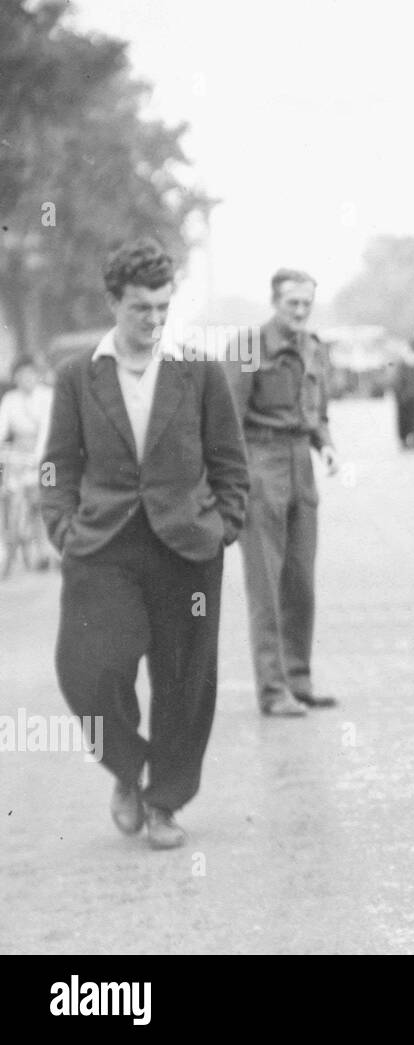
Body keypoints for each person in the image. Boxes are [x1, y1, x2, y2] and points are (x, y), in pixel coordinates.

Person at [40, 239, 249, 848]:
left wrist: (223, 527)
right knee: (90, 670)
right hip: (104, 547)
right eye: (141, 308)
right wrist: (63, 530)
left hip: (187, 545)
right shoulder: (78, 376)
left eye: (163, 306)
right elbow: (56, 467)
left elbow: (229, 463)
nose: (155, 320)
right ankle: (128, 770)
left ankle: (165, 802)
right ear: (113, 303)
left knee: (186, 678)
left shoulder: (199, 370)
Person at [226, 268, 341, 717]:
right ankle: (273, 691)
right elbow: (229, 417)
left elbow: (320, 413)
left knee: (300, 582)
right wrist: (233, 480)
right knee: (266, 585)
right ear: (275, 301)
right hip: (261, 464)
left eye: (306, 303)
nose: (299, 310)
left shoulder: (313, 347)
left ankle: (299, 678)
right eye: (292, 303)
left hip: (301, 466)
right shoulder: (250, 347)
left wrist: (327, 447)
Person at [0, 357, 55, 568]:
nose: (26, 380)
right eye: (21, 376)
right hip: (19, 457)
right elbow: (2, 428)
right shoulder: (10, 400)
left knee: (45, 500)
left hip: (47, 457)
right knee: (11, 494)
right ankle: (11, 542)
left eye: (30, 374)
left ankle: (45, 551)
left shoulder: (47, 396)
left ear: (36, 375)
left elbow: (46, 430)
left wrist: (40, 455)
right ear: (15, 378)